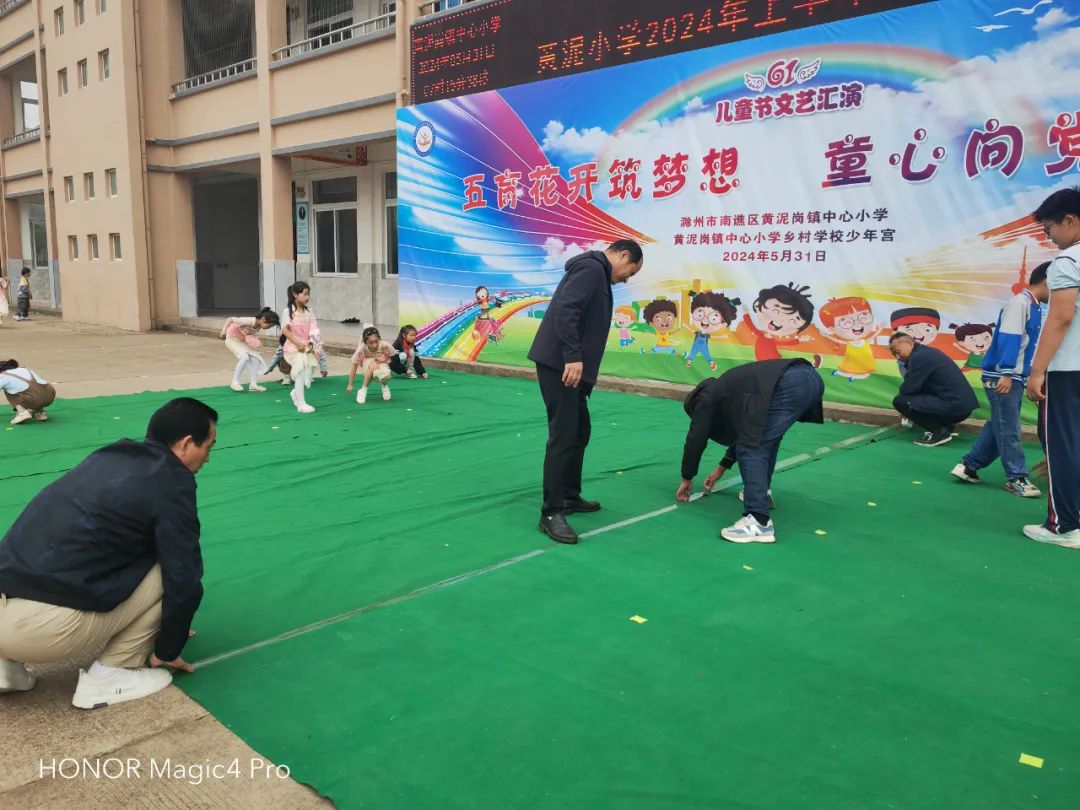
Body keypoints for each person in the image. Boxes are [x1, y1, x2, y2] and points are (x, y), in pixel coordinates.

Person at [0, 398, 215, 708]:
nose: (208, 457)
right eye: (208, 447)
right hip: (36, 630)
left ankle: (6, 666)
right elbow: (183, 577)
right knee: (170, 568)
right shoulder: (172, 481)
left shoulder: (110, 455)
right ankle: (111, 674)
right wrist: (169, 646)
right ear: (185, 444)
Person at [528, 239, 644, 543]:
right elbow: (567, 310)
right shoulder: (592, 270)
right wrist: (573, 356)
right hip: (561, 365)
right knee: (564, 435)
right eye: (629, 272)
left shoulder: (596, 272)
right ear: (623, 255)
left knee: (580, 430)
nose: (625, 279)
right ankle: (551, 512)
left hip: (569, 366)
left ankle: (568, 495)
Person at [677, 358, 824, 543]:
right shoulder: (727, 390)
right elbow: (747, 429)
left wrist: (686, 477)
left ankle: (758, 520)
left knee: (753, 446)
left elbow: (695, 439)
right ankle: (763, 495)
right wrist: (721, 468)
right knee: (766, 439)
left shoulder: (705, 400)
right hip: (811, 378)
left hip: (790, 382)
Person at [951, 263, 1049, 497]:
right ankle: (1016, 477)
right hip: (1003, 375)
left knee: (1000, 423)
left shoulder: (1033, 305)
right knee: (1009, 428)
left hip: (1011, 374)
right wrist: (1006, 372)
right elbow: (1010, 337)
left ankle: (969, 466)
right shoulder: (1020, 302)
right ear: (1048, 280)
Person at [1024, 187, 1080, 547]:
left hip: (1068, 369)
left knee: (1062, 445)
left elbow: (1060, 318)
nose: (1049, 237)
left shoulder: (1068, 262)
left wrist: (1037, 370)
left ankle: (1065, 526)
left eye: (1049, 228)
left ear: (1070, 221)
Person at [889, 333, 978, 447]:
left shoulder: (919, 357)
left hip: (955, 407)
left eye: (897, 351)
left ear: (908, 343)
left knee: (900, 401)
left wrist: (905, 408)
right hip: (960, 405)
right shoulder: (926, 352)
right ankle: (946, 427)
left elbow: (910, 387)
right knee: (912, 399)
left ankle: (939, 432)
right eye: (893, 353)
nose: (897, 356)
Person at [281, 281, 320, 413]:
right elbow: (285, 331)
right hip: (293, 347)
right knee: (301, 370)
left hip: (307, 346)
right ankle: (301, 404)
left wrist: (311, 343)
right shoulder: (288, 311)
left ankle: (295, 393)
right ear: (295, 294)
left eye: (308, 294)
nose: (307, 297)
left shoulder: (309, 312)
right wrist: (298, 343)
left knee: (308, 373)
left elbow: (314, 328)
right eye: (305, 294)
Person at [219, 307, 279, 392]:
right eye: (269, 325)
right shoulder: (249, 320)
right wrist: (223, 332)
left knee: (255, 358)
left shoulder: (258, 326)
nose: (269, 328)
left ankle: (253, 385)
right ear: (263, 319)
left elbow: (247, 334)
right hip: (231, 339)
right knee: (244, 357)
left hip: (240, 341)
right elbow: (230, 319)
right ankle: (235, 382)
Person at [347, 326, 394, 404]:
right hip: (368, 363)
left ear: (379, 339)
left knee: (385, 374)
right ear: (365, 342)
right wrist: (350, 384)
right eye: (371, 342)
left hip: (381, 361)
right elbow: (354, 366)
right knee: (373, 366)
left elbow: (392, 356)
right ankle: (363, 390)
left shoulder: (385, 345)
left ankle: (384, 386)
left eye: (376, 341)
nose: (374, 345)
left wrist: (386, 358)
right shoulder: (361, 349)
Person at [0, 359, 56, 424]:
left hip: (33, 399)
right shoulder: (25, 370)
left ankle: (22, 413)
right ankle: (40, 413)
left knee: (9, 391)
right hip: (50, 396)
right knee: (34, 390)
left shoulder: (3, 376)